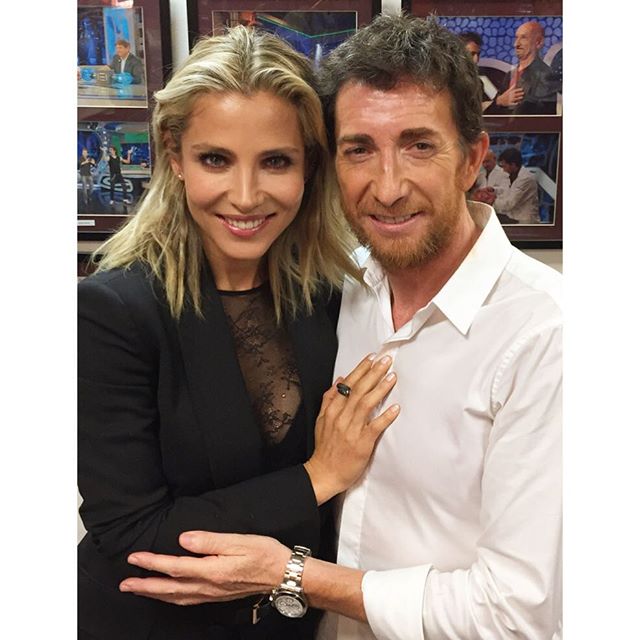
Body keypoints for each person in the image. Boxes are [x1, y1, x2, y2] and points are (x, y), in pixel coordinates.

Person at [119, 14, 562, 640]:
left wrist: (294, 575)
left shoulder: (547, 333)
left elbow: (518, 612)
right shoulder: (336, 287)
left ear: (472, 160)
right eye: (359, 149)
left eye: (419, 145)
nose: (388, 187)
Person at [78, 26, 401, 640]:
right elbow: (131, 532)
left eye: (275, 161)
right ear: (175, 156)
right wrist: (318, 476)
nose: (247, 197)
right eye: (216, 160)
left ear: (309, 166)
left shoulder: (332, 295)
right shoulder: (113, 311)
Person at [486, 20, 560, 115]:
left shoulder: (546, 76)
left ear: (538, 42)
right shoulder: (510, 74)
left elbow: (542, 117)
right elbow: (491, 114)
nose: (516, 44)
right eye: (516, 37)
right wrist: (499, 101)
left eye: (523, 37)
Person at [475, 147, 540, 224]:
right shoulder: (512, 175)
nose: (503, 169)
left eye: (504, 166)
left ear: (513, 165)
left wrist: (489, 202)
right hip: (513, 218)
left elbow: (510, 203)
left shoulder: (526, 179)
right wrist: (493, 190)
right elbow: (507, 190)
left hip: (525, 221)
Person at [458, 31, 495, 111]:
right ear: (459, 54)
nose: (476, 60)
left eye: (478, 54)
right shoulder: (448, 82)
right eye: (472, 54)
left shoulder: (478, 83)